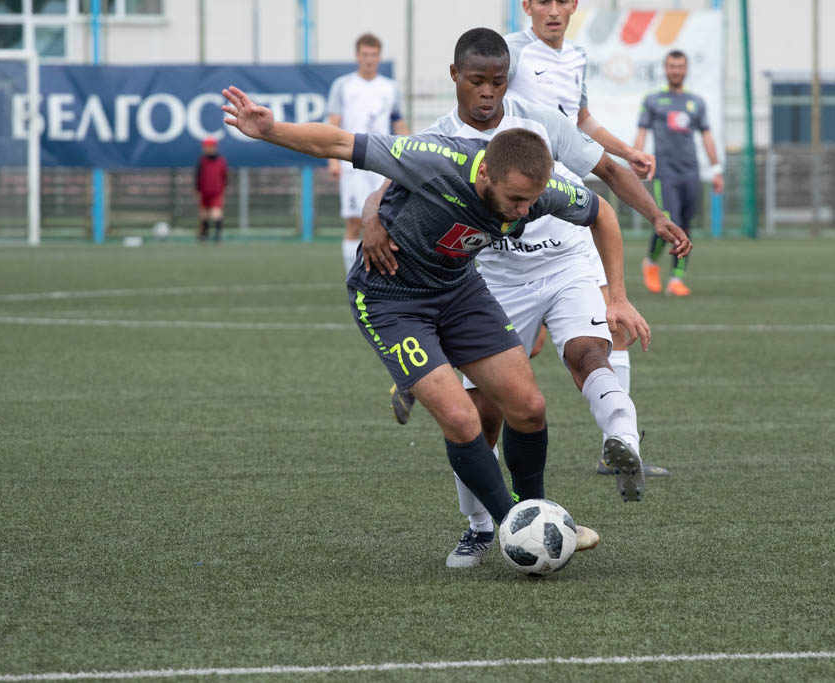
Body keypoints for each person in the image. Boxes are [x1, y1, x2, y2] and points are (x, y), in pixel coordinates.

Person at [221, 84, 651, 562]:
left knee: (529, 407)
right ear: (485, 173)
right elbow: (340, 142)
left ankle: (537, 517)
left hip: (459, 291)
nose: (524, 212)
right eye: (515, 199)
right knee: (463, 418)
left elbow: (601, 213)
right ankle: (513, 527)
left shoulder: (538, 193)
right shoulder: (435, 159)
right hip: (390, 301)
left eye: (531, 202)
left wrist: (618, 296)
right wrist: (271, 130)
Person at [362, 29, 690, 568]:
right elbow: (387, 179)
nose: (488, 92)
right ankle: (478, 526)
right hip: (493, 276)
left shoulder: (540, 120)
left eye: (498, 81)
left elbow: (607, 172)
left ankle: (604, 453)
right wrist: (371, 219)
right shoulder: (440, 137)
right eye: (479, 81)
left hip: (564, 260)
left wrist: (654, 218)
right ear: (457, 78)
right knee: (481, 414)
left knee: (579, 361)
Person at [504, 0, 672, 480]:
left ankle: (616, 445)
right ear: (527, 6)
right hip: (520, 209)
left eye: (562, 1)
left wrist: (626, 151)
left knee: (611, 322)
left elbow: (580, 120)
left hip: (569, 208)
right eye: (543, 1)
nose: (553, 11)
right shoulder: (510, 53)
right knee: (517, 349)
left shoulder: (576, 56)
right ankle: (428, 376)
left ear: (574, 5)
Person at [635, 49, 724, 297]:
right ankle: (650, 262)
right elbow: (641, 132)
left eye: (680, 67)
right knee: (668, 222)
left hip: (690, 173)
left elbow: (707, 136)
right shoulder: (653, 100)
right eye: (672, 67)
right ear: (666, 69)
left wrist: (716, 169)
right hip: (665, 173)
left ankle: (676, 278)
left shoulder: (697, 102)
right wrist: (637, 158)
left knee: (685, 225)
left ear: (686, 69)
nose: (676, 71)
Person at [325, 33, 409, 274]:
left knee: (386, 221)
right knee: (354, 222)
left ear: (379, 57)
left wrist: (409, 154)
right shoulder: (343, 86)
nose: (369, 59)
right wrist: (332, 161)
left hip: (382, 164)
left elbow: (399, 124)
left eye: (373, 55)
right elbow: (333, 124)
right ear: (357, 56)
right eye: (365, 54)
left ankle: (383, 276)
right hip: (352, 163)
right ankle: (353, 276)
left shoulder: (390, 88)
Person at [194, 137, 228, 242]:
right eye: (206, 147)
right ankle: (204, 235)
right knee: (204, 214)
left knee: (216, 213)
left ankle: (217, 236)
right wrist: (197, 190)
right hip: (204, 192)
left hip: (216, 192)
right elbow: (197, 177)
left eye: (210, 146)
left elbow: (225, 177)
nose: (208, 149)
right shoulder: (202, 161)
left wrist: (223, 190)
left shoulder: (221, 161)